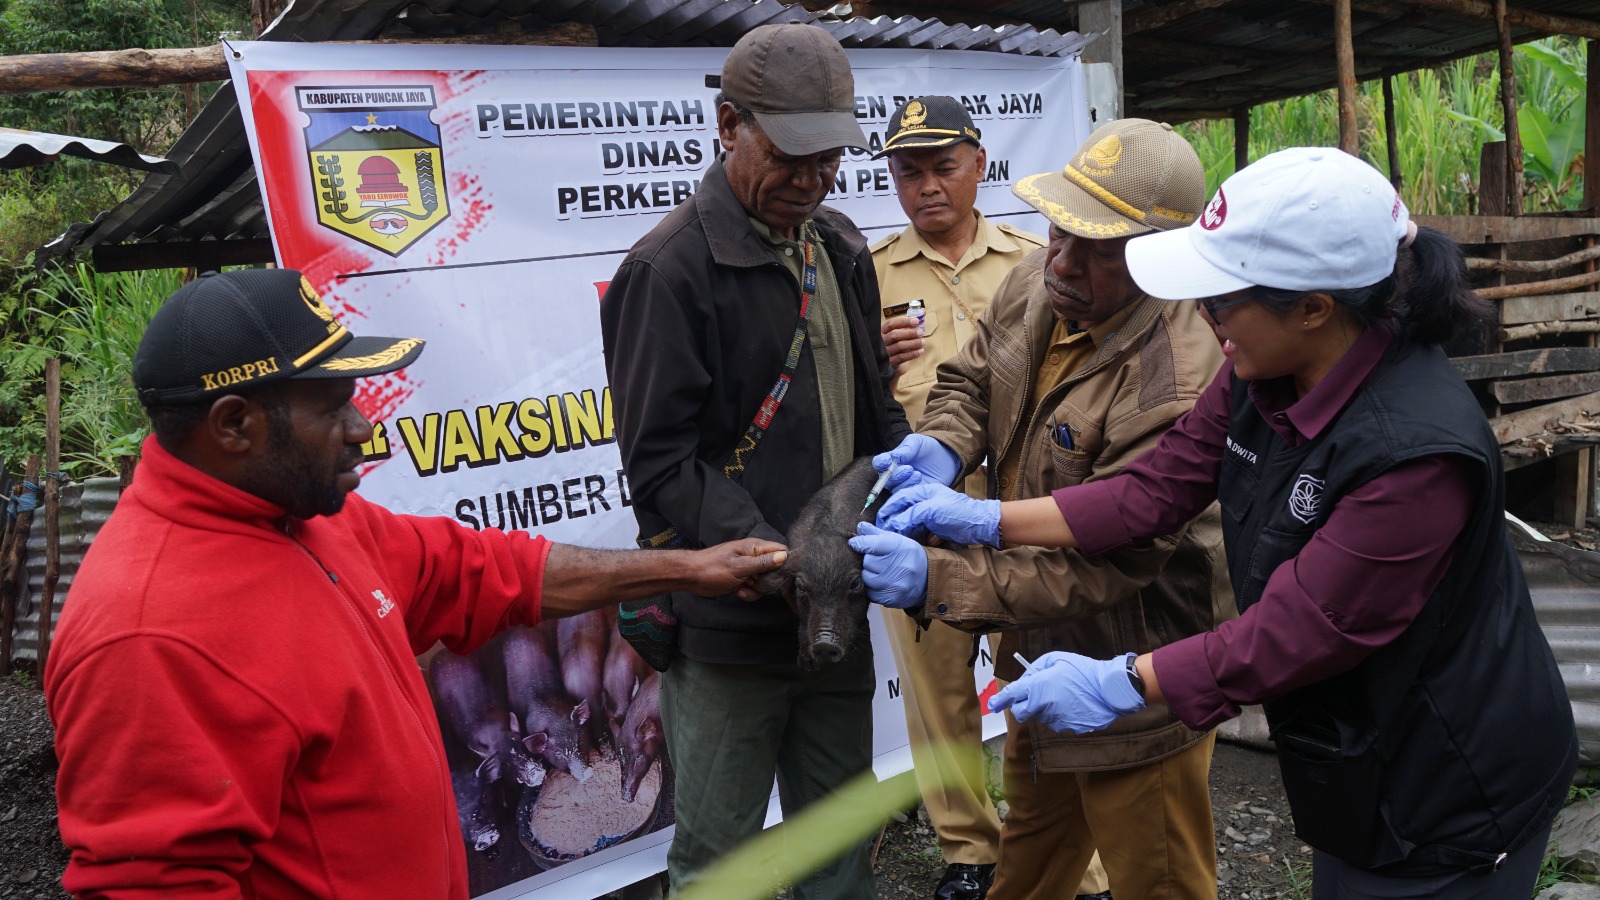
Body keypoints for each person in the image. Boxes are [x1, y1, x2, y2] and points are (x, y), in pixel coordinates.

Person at [880, 147, 1580, 899]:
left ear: (1313, 307)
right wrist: (985, 518)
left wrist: (1125, 678)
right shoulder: (1262, 367)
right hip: (1353, 743)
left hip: (1449, 772)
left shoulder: (1413, 456)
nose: (1203, 314)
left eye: (1221, 298)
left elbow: (1299, 629)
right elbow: (1152, 490)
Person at [45, 269, 786, 898]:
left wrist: (687, 568)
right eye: (333, 406)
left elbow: (488, 572)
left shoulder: (313, 519)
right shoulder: (146, 638)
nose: (365, 427)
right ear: (234, 423)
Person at [849, 118, 1232, 900]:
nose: (1063, 260)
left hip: (1130, 682)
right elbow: (969, 379)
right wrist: (948, 448)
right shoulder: (1040, 281)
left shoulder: (1175, 380)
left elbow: (1106, 561)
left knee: (1158, 881)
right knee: (1029, 867)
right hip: (1036, 659)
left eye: (1096, 247)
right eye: (1060, 230)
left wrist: (938, 576)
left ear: (1161, 257)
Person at [600, 23, 907, 898]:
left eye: (828, 162)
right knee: (720, 864)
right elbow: (658, 465)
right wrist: (780, 559)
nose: (810, 181)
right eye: (789, 157)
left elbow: (879, 415)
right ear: (728, 124)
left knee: (840, 841)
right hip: (731, 631)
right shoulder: (669, 272)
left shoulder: (840, 246)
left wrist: (908, 499)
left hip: (838, 621)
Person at [871, 95, 1109, 900]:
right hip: (921, 515)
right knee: (938, 693)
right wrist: (876, 361)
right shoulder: (869, 273)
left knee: (1049, 670)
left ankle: (1086, 860)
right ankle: (970, 851)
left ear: (979, 162)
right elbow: (853, 402)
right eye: (908, 172)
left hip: (1031, 507)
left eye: (943, 167)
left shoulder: (1037, 260)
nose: (927, 187)